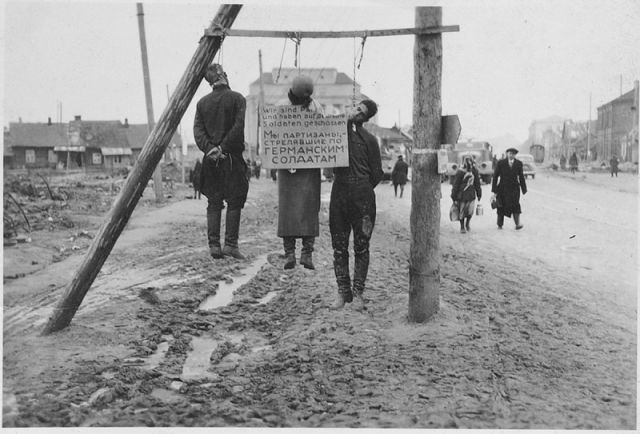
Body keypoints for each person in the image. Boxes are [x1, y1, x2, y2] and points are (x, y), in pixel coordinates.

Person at [330, 99, 383, 310]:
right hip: (339, 193)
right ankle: (343, 292)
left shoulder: (370, 140)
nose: (357, 113)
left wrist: (362, 187)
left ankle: (358, 293)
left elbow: (377, 173)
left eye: (362, 112)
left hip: (362, 197)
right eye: (357, 108)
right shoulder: (336, 133)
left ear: (367, 118)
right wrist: (344, 119)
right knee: (339, 246)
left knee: (361, 246)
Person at [193, 63, 249, 260]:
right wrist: (223, 148)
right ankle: (231, 245)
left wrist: (210, 149)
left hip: (210, 161)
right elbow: (238, 127)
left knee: (213, 202)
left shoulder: (201, 103)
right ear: (224, 75)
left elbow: (198, 133)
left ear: (210, 82)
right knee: (235, 201)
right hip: (231, 158)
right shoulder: (238, 99)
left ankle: (214, 246)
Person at [277, 75, 324, 270]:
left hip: (309, 166)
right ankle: (289, 254)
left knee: (310, 208)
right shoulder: (281, 107)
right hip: (288, 167)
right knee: (287, 210)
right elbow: (272, 134)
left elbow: (324, 132)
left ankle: (307, 253)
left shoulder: (316, 107)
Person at [491, 147, 527, 230]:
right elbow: (495, 176)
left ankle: (517, 224)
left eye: (513, 154)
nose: (511, 155)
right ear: (507, 154)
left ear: (515, 155)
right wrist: (494, 190)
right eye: (510, 153)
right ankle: (500, 223)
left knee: (516, 205)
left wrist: (523, 189)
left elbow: (521, 177)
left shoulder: (518, 163)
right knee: (501, 206)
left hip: (514, 189)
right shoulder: (501, 163)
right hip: (502, 188)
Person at [451, 155, 482, 233]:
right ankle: (462, 227)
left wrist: (479, 193)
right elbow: (456, 184)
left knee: (470, 211)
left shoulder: (474, 171)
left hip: (471, 194)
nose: (468, 162)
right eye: (466, 160)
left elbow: (477, 183)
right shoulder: (460, 171)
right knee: (461, 211)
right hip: (462, 195)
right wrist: (453, 196)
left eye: (470, 160)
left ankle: (467, 223)